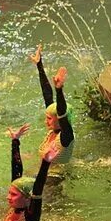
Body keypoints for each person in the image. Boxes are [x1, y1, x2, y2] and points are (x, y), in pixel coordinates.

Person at [0, 122, 65, 221]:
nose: (9, 197)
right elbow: (16, 171)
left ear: (27, 198)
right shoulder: (16, 206)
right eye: (10, 193)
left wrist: (46, 163)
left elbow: (38, 187)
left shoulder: (30, 216)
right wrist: (15, 141)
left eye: (13, 195)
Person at [30, 45, 75, 175]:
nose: (45, 122)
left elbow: (61, 112)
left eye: (49, 119)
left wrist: (59, 90)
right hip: (42, 171)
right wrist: (39, 65)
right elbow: (48, 97)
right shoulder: (53, 131)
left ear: (60, 120)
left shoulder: (65, 137)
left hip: (54, 180)